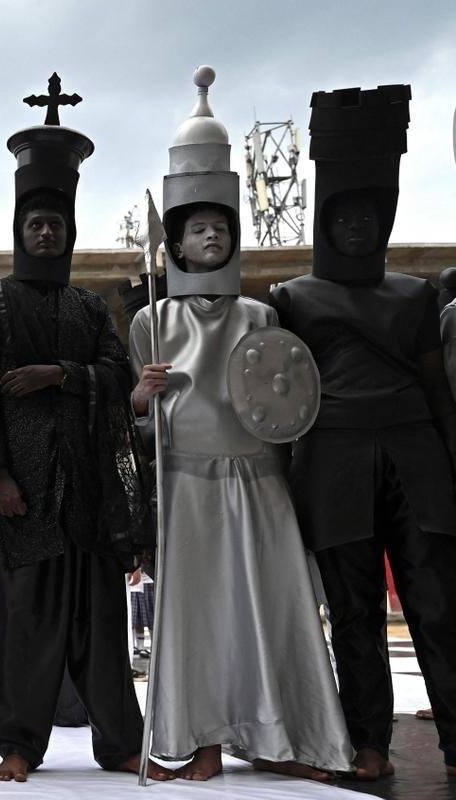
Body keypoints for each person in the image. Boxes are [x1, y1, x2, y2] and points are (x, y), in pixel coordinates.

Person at [131, 66, 353, 783]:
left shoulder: (261, 315)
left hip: (257, 481)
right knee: (200, 622)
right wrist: (144, 392)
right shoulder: (152, 319)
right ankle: (201, 740)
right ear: (177, 241)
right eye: (198, 228)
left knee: (275, 612)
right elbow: (137, 415)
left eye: (221, 227)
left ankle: (292, 738)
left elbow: (284, 398)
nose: (211, 238)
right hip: (189, 486)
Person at [0, 78, 171, 783]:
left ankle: (119, 742)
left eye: (55, 224)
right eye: (35, 224)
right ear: (20, 228)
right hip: (27, 488)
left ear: (69, 231)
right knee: (26, 625)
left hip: (84, 487)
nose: (45, 232)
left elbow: (118, 375)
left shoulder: (89, 308)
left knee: (101, 621)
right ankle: (19, 745)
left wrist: (60, 373)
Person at [270, 83, 456, 780]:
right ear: (326, 222)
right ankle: (367, 739)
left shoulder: (414, 294)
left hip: (415, 456)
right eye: (343, 219)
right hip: (333, 457)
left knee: (437, 604)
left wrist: (452, 456)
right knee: (353, 611)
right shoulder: (291, 297)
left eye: (368, 219)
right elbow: (278, 397)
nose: (356, 230)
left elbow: (437, 387)